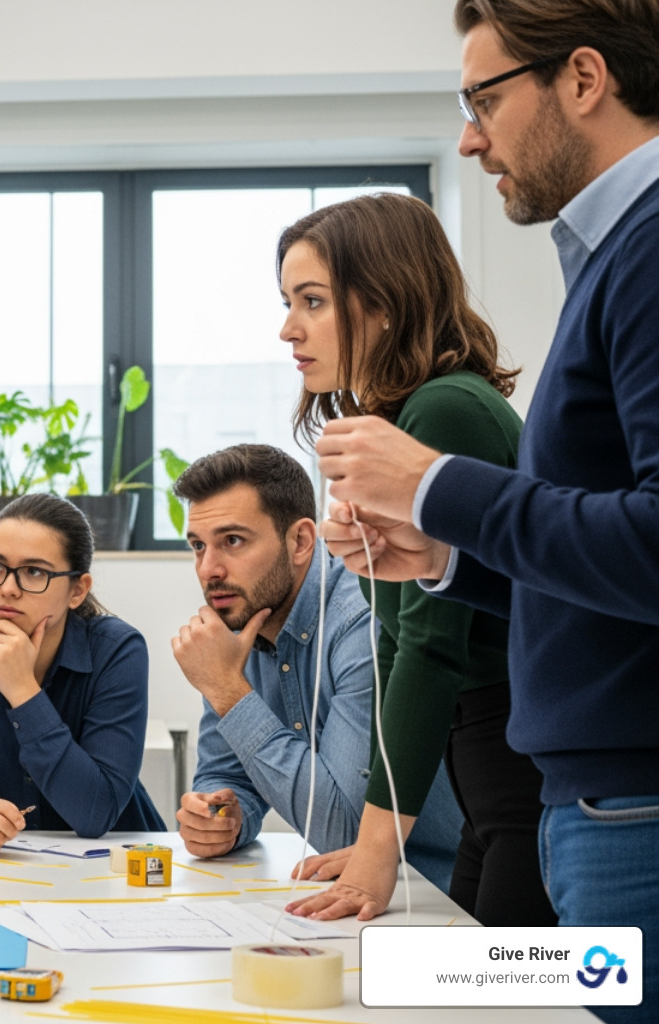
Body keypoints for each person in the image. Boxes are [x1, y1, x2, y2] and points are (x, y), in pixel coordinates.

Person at [317, 3, 659, 1013]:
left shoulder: (647, 249)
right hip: (593, 803)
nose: (471, 137)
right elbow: (603, 563)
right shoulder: (610, 257)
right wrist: (444, 558)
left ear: (584, 78)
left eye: (485, 100)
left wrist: (433, 487)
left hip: (629, 809)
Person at [271, 193, 553, 928]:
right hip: (485, 767)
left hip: (516, 759)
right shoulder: (406, 416)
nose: (287, 329)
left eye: (312, 301)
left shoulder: (442, 411)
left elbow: (429, 645)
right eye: (288, 302)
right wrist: (371, 843)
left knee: (507, 996)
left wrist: (375, 850)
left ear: (383, 302)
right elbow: (399, 640)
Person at [171, 445, 462, 893]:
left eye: (232, 541)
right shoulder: (240, 619)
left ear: (301, 541)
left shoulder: (362, 619)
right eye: (198, 546)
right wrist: (223, 817)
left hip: (443, 889)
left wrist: (227, 689)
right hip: (363, 894)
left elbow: (349, 832)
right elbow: (227, 777)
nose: (209, 569)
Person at [0, 493, 164, 852]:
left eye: (34, 572)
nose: (7, 588)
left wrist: (23, 691)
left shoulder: (118, 650)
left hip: (115, 866)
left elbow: (95, 813)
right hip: (8, 867)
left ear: (77, 590)